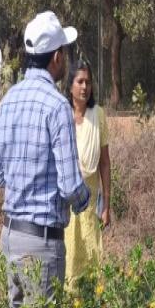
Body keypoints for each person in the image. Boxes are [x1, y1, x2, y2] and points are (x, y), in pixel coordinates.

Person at [0, 11, 90, 308]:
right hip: (42, 243)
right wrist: (85, 199)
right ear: (57, 57)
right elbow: (70, 185)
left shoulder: (7, 101)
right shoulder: (57, 106)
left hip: (10, 236)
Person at [63, 59, 111, 290]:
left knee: (92, 262)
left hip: (91, 205)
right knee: (68, 262)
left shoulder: (98, 115)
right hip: (65, 206)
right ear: (70, 85)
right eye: (80, 82)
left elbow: (104, 163)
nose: (84, 87)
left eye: (88, 82)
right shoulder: (62, 115)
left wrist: (107, 205)